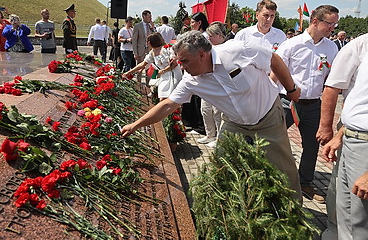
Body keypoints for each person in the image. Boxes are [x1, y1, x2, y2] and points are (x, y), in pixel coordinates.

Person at [121, 30, 302, 201]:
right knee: (222, 167)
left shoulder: (238, 50)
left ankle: (293, 212)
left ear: (202, 55)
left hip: (268, 117)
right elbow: (167, 105)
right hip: (234, 124)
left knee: (283, 169)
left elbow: (274, 59)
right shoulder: (190, 80)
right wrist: (135, 125)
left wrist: (291, 89)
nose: (181, 66)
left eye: (184, 61)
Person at [273, 5, 339, 204]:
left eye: (335, 24)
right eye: (329, 23)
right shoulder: (291, 45)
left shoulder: (331, 47)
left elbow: (331, 78)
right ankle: (270, 179)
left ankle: (305, 183)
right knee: (272, 141)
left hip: (312, 105)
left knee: (311, 146)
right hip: (286, 102)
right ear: (315, 21)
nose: (332, 28)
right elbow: (274, 74)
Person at [316, 33, 368, 239]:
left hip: (364, 146)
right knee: (345, 212)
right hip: (352, 138)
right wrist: (341, 133)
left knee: (359, 222)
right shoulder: (362, 44)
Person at [122, 33, 182, 100]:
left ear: (150, 42)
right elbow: (143, 64)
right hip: (164, 75)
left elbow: (174, 64)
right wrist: (128, 72)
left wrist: (164, 70)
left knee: (173, 98)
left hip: (173, 74)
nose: (146, 44)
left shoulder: (166, 49)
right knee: (162, 98)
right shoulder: (152, 52)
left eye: (147, 42)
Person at [197, 21, 226, 148]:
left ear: (219, 35)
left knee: (217, 113)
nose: (209, 38)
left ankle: (220, 139)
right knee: (205, 110)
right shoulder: (209, 47)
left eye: (211, 36)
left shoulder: (227, 48)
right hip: (206, 85)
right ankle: (210, 134)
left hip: (220, 87)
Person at [133, 10, 156, 82]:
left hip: (149, 50)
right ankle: (139, 85)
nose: (150, 18)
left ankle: (147, 86)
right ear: (144, 17)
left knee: (148, 70)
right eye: (149, 17)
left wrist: (153, 28)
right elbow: (134, 40)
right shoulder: (137, 26)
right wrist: (135, 53)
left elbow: (156, 36)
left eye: (151, 17)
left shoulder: (151, 26)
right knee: (139, 69)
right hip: (140, 51)